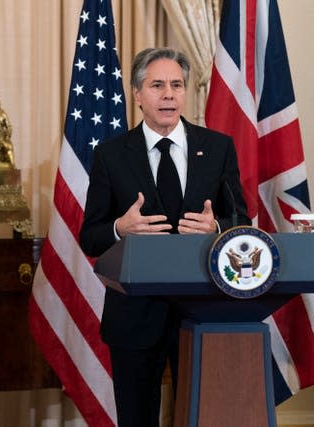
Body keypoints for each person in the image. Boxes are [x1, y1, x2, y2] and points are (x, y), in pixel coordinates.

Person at [79, 47, 250, 427]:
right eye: (157, 85)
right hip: (134, 316)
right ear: (137, 94)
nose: (169, 94)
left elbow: (242, 221)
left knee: (204, 416)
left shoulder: (218, 147)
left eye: (176, 84)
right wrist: (120, 228)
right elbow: (90, 237)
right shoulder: (111, 155)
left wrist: (217, 228)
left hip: (202, 311)